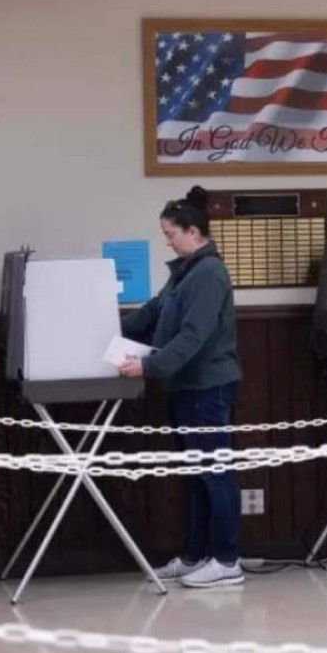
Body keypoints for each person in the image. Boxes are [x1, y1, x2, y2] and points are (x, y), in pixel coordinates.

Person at [119, 185, 243, 588]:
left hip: (206, 388)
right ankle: (194, 555)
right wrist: (102, 323)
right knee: (197, 473)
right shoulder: (186, 271)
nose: (167, 241)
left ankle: (226, 559)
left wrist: (149, 366)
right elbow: (153, 312)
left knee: (215, 472)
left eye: (170, 233)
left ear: (192, 231)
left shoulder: (209, 273)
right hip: (186, 388)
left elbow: (193, 337)